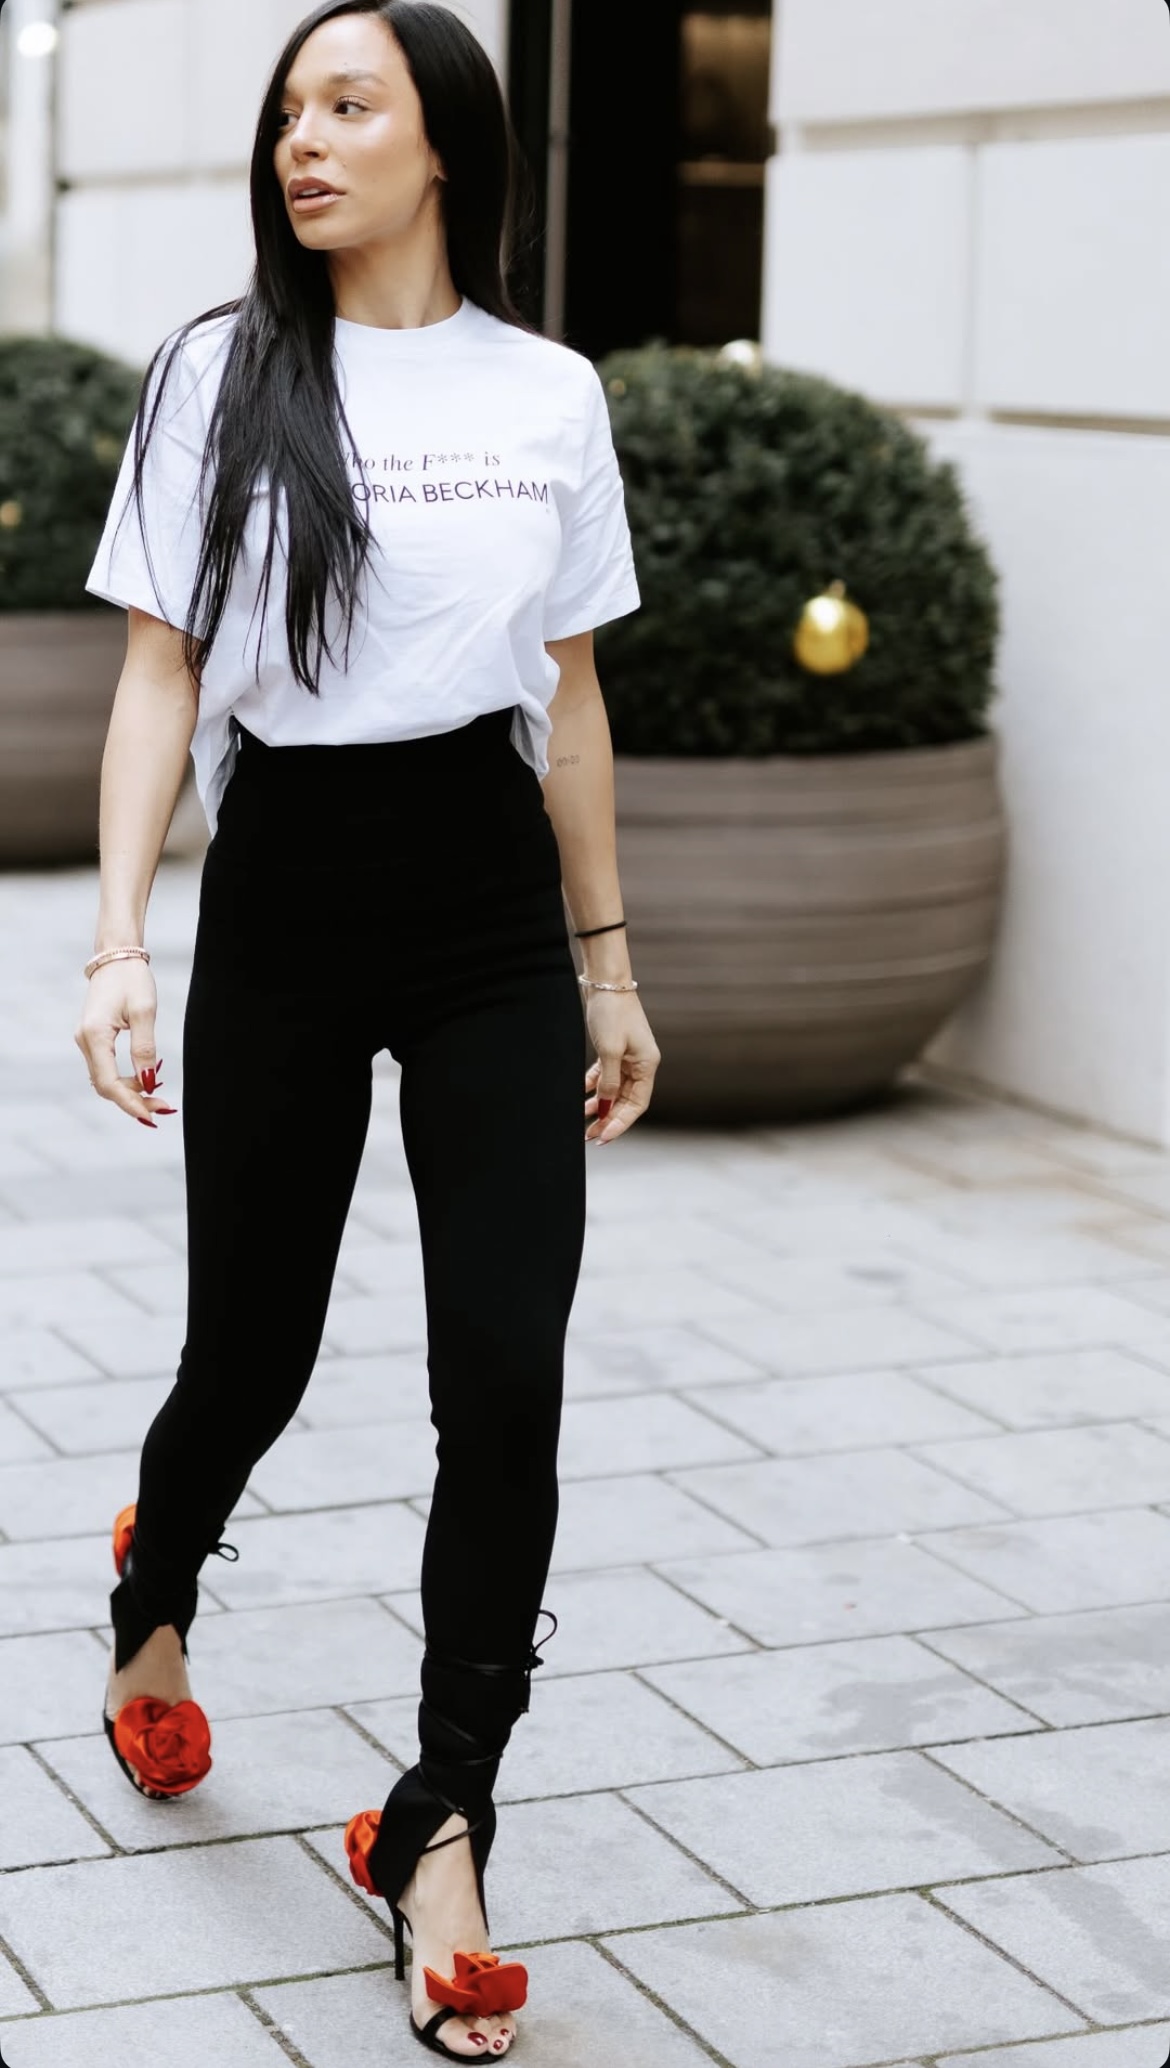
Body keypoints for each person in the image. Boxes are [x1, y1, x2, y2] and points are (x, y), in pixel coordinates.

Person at [74, 2, 660, 2056]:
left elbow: (570, 699)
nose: (303, 143)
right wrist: (120, 940)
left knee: (505, 1371)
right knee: (254, 1346)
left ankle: (440, 1820)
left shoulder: (550, 391)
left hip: (489, 910)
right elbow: (160, 674)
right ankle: (156, 1576)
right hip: (292, 896)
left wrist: (607, 962)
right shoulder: (219, 375)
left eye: (351, 106)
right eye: (290, 113)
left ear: (446, 148)